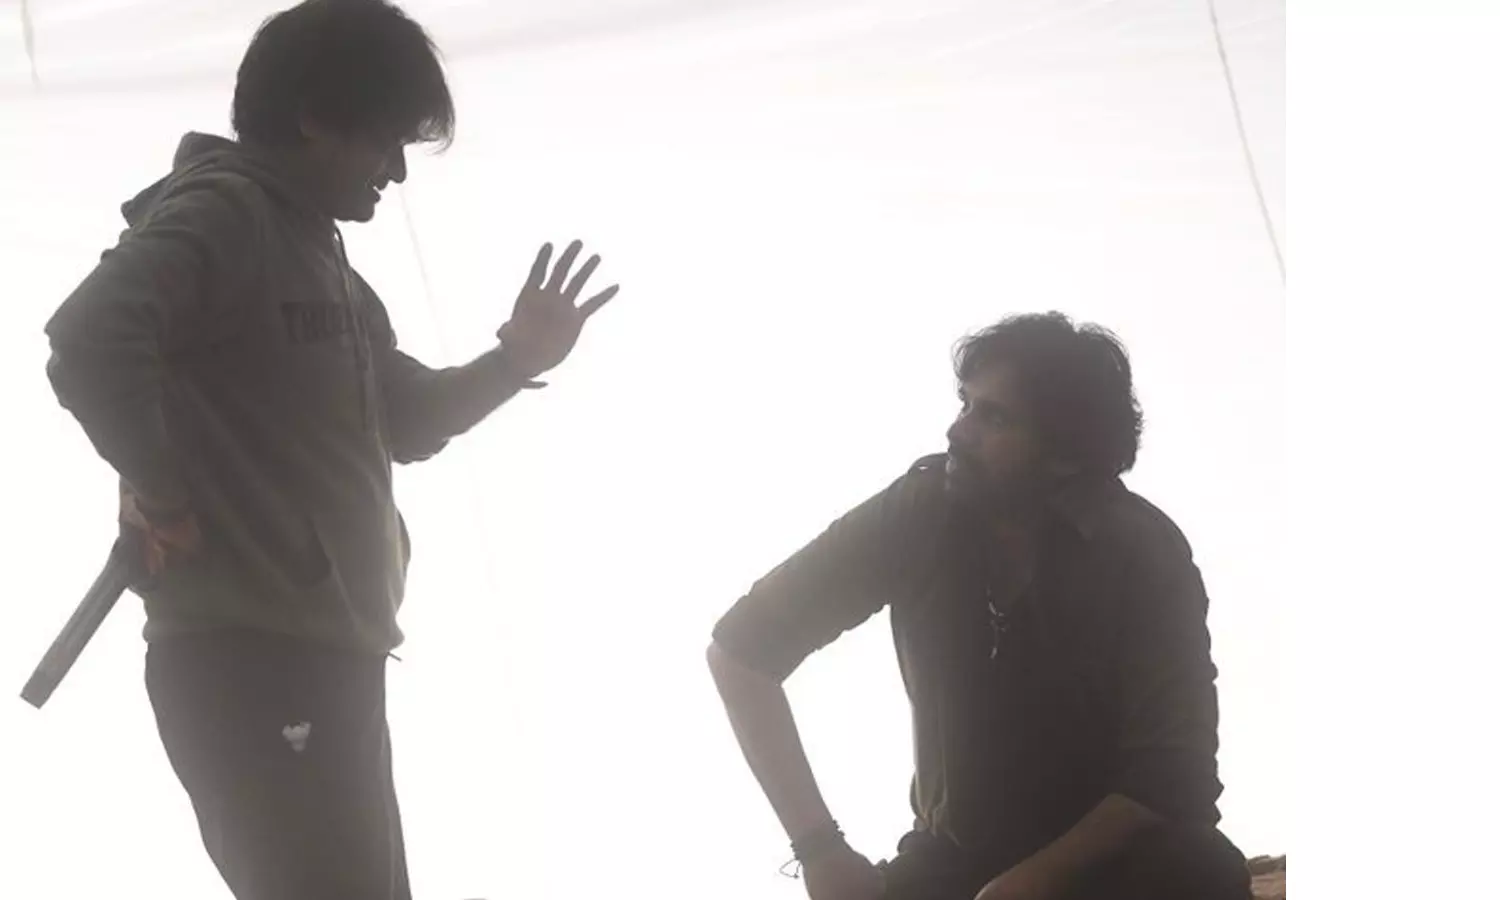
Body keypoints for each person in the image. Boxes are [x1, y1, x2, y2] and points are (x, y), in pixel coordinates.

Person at [42, 1, 620, 898]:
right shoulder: (227, 211)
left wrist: (514, 362)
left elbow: (409, 420)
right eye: (388, 142)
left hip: (316, 663)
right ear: (315, 117)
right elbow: (88, 340)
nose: (397, 171)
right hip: (254, 663)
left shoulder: (318, 257)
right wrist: (160, 493)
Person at [707, 312, 1252, 900]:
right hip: (951, 861)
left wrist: (1025, 886)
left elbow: (1174, 774)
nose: (957, 432)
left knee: (1202, 870)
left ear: (1066, 454)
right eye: (966, 404)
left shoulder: (1142, 551)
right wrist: (820, 850)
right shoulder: (919, 509)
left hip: (1110, 860)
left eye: (994, 417)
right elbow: (740, 652)